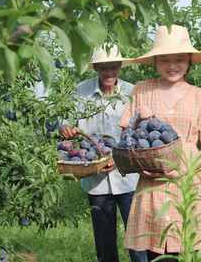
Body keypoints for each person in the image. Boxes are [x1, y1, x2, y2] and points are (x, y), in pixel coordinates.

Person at [120, 25, 201, 261]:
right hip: (152, 186)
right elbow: (127, 138)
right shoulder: (141, 91)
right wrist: (139, 121)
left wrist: (183, 169)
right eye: (165, 60)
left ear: (189, 61)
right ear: (155, 62)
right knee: (153, 252)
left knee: (194, 249)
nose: (172, 65)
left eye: (179, 59)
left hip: (191, 185)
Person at [59, 45, 146, 262]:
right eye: (104, 67)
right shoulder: (80, 92)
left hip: (129, 179)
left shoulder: (132, 92)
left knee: (137, 241)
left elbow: (139, 133)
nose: (109, 72)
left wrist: (119, 159)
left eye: (113, 67)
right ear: (96, 67)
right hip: (95, 179)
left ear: (120, 67)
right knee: (104, 242)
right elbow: (65, 122)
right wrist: (65, 128)